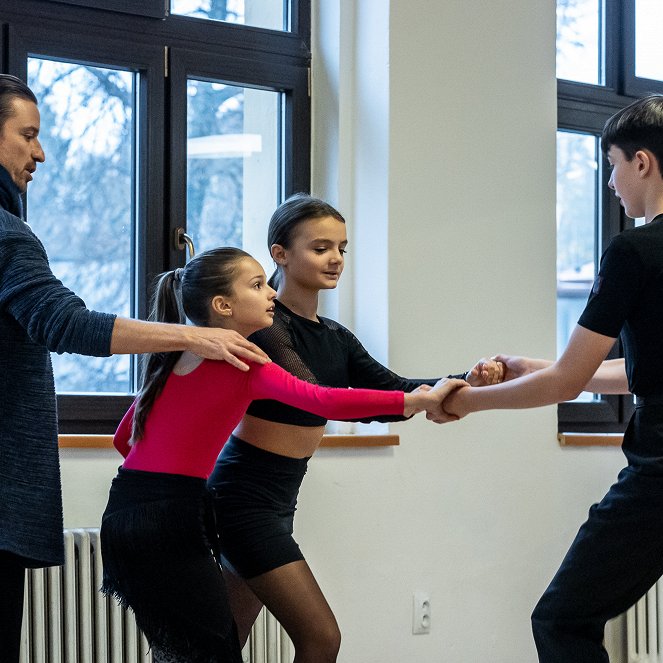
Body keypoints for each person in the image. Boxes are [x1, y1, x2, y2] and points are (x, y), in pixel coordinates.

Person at [0, 74, 268, 663]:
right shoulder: (9, 237)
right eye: (27, 135)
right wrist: (195, 336)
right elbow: (65, 323)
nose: (40, 153)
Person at [100, 246, 464, 663]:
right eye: (257, 285)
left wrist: (178, 458)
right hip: (171, 518)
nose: (270, 293)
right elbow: (322, 401)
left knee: (188, 651)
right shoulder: (247, 360)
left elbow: (125, 437)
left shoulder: (173, 358)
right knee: (210, 653)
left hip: (124, 512)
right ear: (222, 306)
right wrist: (414, 402)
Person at [206, 193, 504, 662]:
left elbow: (392, 390)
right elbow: (315, 396)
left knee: (218, 644)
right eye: (321, 247)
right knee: (322, 638)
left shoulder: (336, 336)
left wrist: (462, 381)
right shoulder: (265, 328)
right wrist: (416, 399)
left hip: (276, 501)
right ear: (280, 253)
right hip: (242, 501)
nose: (336, 259)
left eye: (343, 248)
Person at [431, 94, 663, 663]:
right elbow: (641, 374)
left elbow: (568, 383)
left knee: (562, 620)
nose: (611, 183)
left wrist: (466, 403)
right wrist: (535, 367)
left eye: (611, 164)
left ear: (642, 163)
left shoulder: (635, 251)